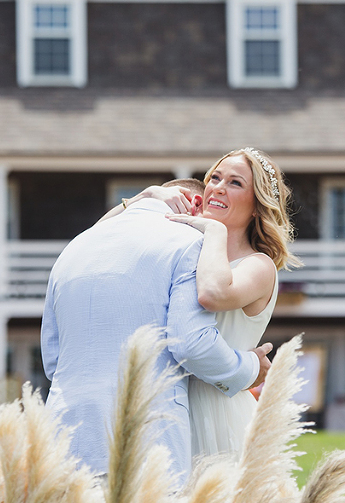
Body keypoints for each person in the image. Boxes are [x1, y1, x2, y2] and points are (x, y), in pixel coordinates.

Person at [40, 178, 273, 483]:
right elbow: (191, 344)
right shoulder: (188, 243)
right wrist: (250, 366)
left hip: (63, 435)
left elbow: (52, 359)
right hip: (148, 438)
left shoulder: (74, 248)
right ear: (195, 204)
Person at [155, 148, 297, 458]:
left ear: (257, 207)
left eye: (235, 183)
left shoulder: (259, 266)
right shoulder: (183, 254)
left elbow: (212, 293)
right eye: (215, 178)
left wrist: (213, 229)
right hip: (166, 407)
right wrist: (149, 194)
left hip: (217, 413)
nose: (218, 187)